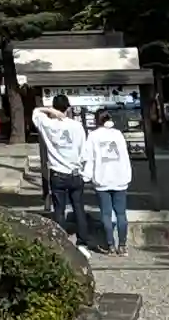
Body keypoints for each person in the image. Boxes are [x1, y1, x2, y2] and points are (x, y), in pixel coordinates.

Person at [31, 90, 94, 249]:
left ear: (53, 108)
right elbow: (83, 151)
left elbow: (36, 112)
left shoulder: (48, 124)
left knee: (59, 209)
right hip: (74, 172)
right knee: (78, 207)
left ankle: (60, 241)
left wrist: (49, 111)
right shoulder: (77, 126)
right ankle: (83, 241)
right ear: (68, 108)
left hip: (57, 173)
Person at [86, 110, 133, 255]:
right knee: (121, 214)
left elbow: (89, 158)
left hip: (102, 179)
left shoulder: (93, 136)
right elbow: (125, 155)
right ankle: (122, 245)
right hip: (120, 178)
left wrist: (86, 176)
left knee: (106, 214)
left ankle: (110, 245)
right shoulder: (118, 134)